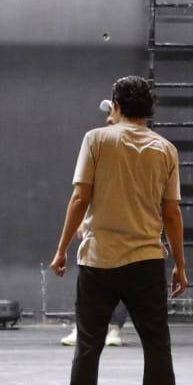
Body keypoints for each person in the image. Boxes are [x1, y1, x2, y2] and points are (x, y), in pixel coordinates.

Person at [47, 76, 187, 385]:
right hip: (146, 260)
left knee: (88, 346)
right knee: (157, 346)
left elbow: (80, 198)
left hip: (99, 260)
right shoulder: (165, 149)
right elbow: (172, 213)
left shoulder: (96, 140)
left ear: (117, 105)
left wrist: (61, 249)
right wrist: (180, 265)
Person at [62, 99, 130, 349]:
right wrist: (82, 218)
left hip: (129, 226)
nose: (108, 118)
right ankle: (83, 327)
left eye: (113, 112)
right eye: (108, 113)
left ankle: (114, 328)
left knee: (123, 278)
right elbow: (85, 188)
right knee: (90, 276)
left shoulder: (145, 147)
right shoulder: (97, 143)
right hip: (98, 225)